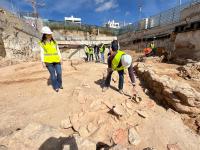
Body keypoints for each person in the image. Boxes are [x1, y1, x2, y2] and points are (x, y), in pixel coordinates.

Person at [39, 26, 63, 92]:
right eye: (48, 34)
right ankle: (56, 86)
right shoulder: (42, 43)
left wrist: (60, 58)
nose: (50, 35)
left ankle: (60, 84)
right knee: (53, 75)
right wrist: (42, 61)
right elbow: (42, 52)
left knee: (59, 73)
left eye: (50, 34)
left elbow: (58, 50)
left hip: (56, 60)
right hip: (48, 61)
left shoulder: (54, 42)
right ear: (45, 35)